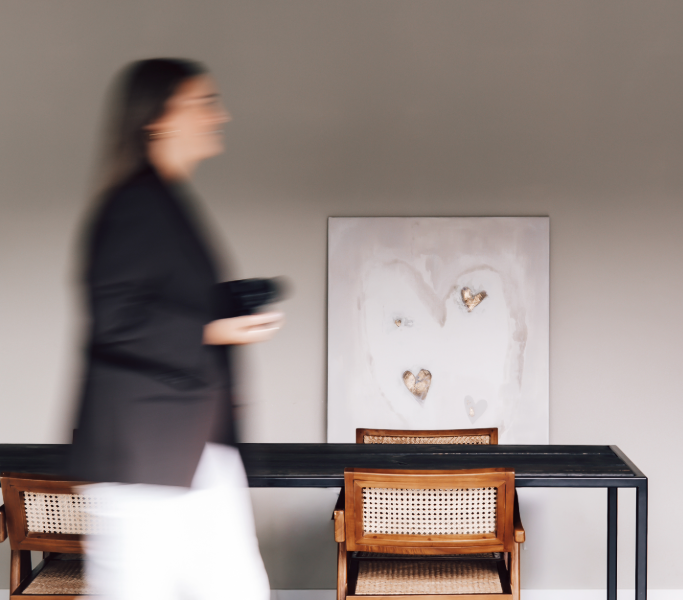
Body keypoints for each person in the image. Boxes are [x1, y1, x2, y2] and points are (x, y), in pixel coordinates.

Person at [71, 58, 282, 600]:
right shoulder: (134, 204)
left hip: (190, 448)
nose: (220, 115)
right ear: (157, 119)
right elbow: (119, 318)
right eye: (204, 103)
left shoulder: (165, 203)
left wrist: (232, 302)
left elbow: (162, 303)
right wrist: (215, 330)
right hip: (147, 454)